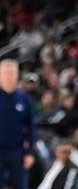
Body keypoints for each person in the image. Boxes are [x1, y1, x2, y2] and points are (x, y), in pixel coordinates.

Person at [0, 58, 35, 189]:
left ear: (17, 75)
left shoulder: (24, 99)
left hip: (17, 152)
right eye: (6, 73)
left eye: (12, 73)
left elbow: (30, 128)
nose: (9, 77)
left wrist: (29, 153)